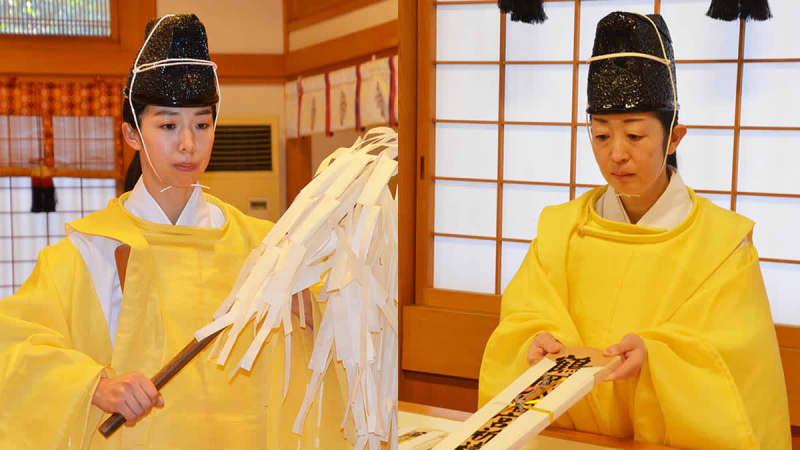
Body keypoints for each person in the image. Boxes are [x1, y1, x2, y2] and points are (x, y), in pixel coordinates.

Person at [0, 14, 346, 449]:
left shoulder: (266, 247)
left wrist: (321, 310)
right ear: (131, 133)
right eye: (168, 126)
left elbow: (342, 342)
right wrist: (94, 386)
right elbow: (11, 347)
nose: (188, 144)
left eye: (202, 125)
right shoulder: (91, 249)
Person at [478, 11, 791, 449]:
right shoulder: (560, 230)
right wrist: (533, 344)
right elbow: (523, 319)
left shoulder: (722, 245)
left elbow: (737, 368)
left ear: (675, 137)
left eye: (635, 136)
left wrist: (657, 360)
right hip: (573, 440)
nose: (616, 155)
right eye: (602, 136)